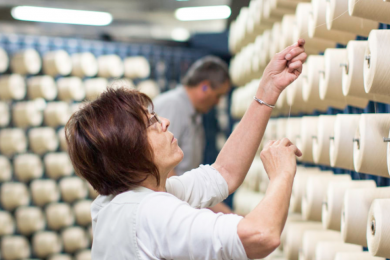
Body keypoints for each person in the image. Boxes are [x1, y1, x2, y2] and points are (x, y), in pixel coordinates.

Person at [65, 39, 307, 260]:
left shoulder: (126, 200)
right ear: (129, 148)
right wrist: (282, 175)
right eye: (151, 123)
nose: (165, 123)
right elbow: (261, 236)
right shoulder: (149, 212)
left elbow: (224, 172)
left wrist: (268, 89)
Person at [153, 55, 232, 213]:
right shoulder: (173, 106)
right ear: (204, 87)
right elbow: (162, 168)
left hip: (180, 202)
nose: (217, 102)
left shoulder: (193, 114)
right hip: (169, 207)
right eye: (218, 96)